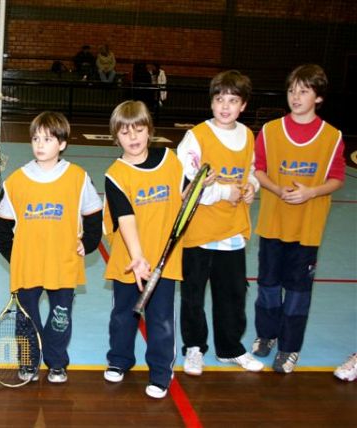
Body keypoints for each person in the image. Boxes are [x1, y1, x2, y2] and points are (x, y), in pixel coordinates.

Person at [0, 111, 102, 384]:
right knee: (26, 319)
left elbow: (93, 214)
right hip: (27, 267)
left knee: (59, 319)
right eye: (35, 139)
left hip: (63, 265)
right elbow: (2, 231)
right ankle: (29, 363)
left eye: (47, 139)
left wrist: (88, 243)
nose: (40, 144)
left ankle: (56, 363)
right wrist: (17, 258)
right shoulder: (15, 181)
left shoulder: (78, 177)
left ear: (62, 144)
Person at [252, 64, 346, 373]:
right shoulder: (270, 131)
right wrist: (277, 188)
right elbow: (259, 170)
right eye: (292, 90)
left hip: (307, 229)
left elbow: (337, 178)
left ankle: (289, 347)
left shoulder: (332, 137)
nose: (295, 96)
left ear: (318, 97)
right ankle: (266, 335)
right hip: (272, 224)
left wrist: (311, 192)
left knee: (297, 292)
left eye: (304, 91)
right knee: (267, 285)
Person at [176, 70, 263, 376]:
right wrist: (227, 192)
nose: (225, 106)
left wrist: (251, 186)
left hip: (233, 231)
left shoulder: (248, 136)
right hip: (199, 232)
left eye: (233, 100)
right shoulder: (196, 137)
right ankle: (194, 347)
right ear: (211, 102)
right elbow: (188, 186)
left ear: (243, 105)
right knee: (193, 295)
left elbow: (250, 170)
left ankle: (230, 348)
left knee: (233, 294)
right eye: (219, 99)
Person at [102, 100, 184, 399]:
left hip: (165, 260)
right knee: (123, 315)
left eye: (138, 129)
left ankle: (161, 373)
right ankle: (119, 360)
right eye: (125, 132)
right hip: (129, 260)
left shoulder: (170, 160)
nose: (133, 137)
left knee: (161, 319)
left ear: (150, 130)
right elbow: (125, 218)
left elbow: (185, 192)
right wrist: (137, 258)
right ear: (116, 137)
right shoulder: (115, 175)